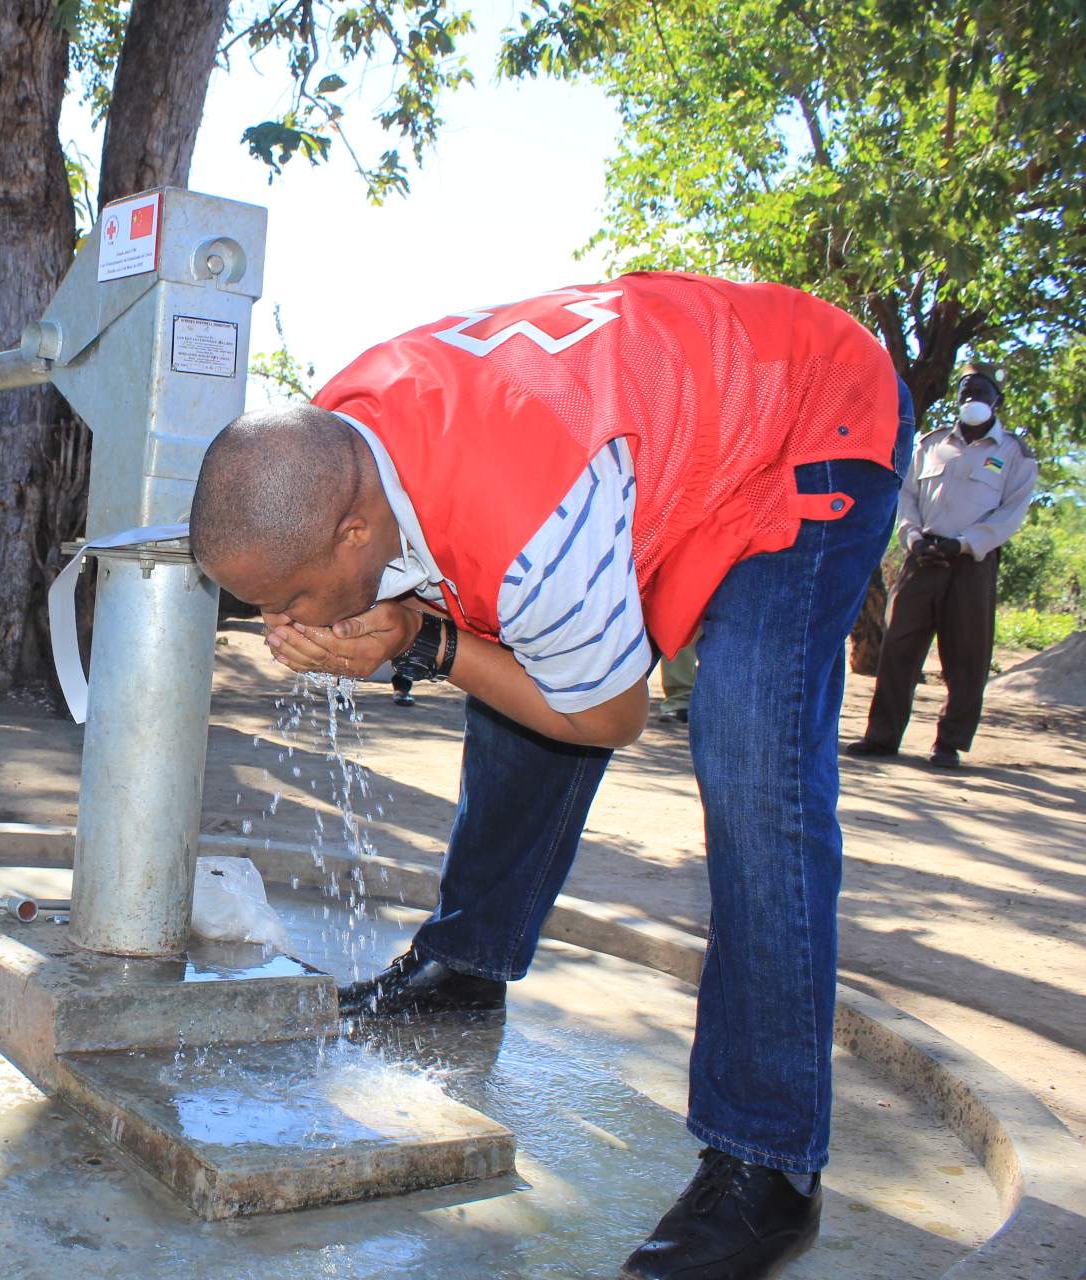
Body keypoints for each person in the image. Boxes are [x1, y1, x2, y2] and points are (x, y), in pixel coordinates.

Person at [189, 272, 912, 1280]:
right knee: (513, 647)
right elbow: (500, 622)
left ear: (355, 529)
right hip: (648, 434)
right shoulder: (336, 432)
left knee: (753, 766)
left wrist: (428, 641)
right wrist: (422, 625)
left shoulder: (533, 525)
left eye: (295, 597)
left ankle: (768, 1166)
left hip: (810, 418)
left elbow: (607, 715)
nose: (287, 626)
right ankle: (464, 966)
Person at [847, 363, 1035, 767]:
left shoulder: (1014, 454)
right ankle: (881, 736)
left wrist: (964, 544)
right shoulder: (930, 444)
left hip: (971, 562)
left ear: (997, 401)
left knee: (967, 655)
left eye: (981, 392)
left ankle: (948, 743)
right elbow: (908, 496)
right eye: (966, 391)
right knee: (898, 647)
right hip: (922, 556)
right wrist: (913, 537)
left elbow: (1010, 514)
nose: (972, 399)